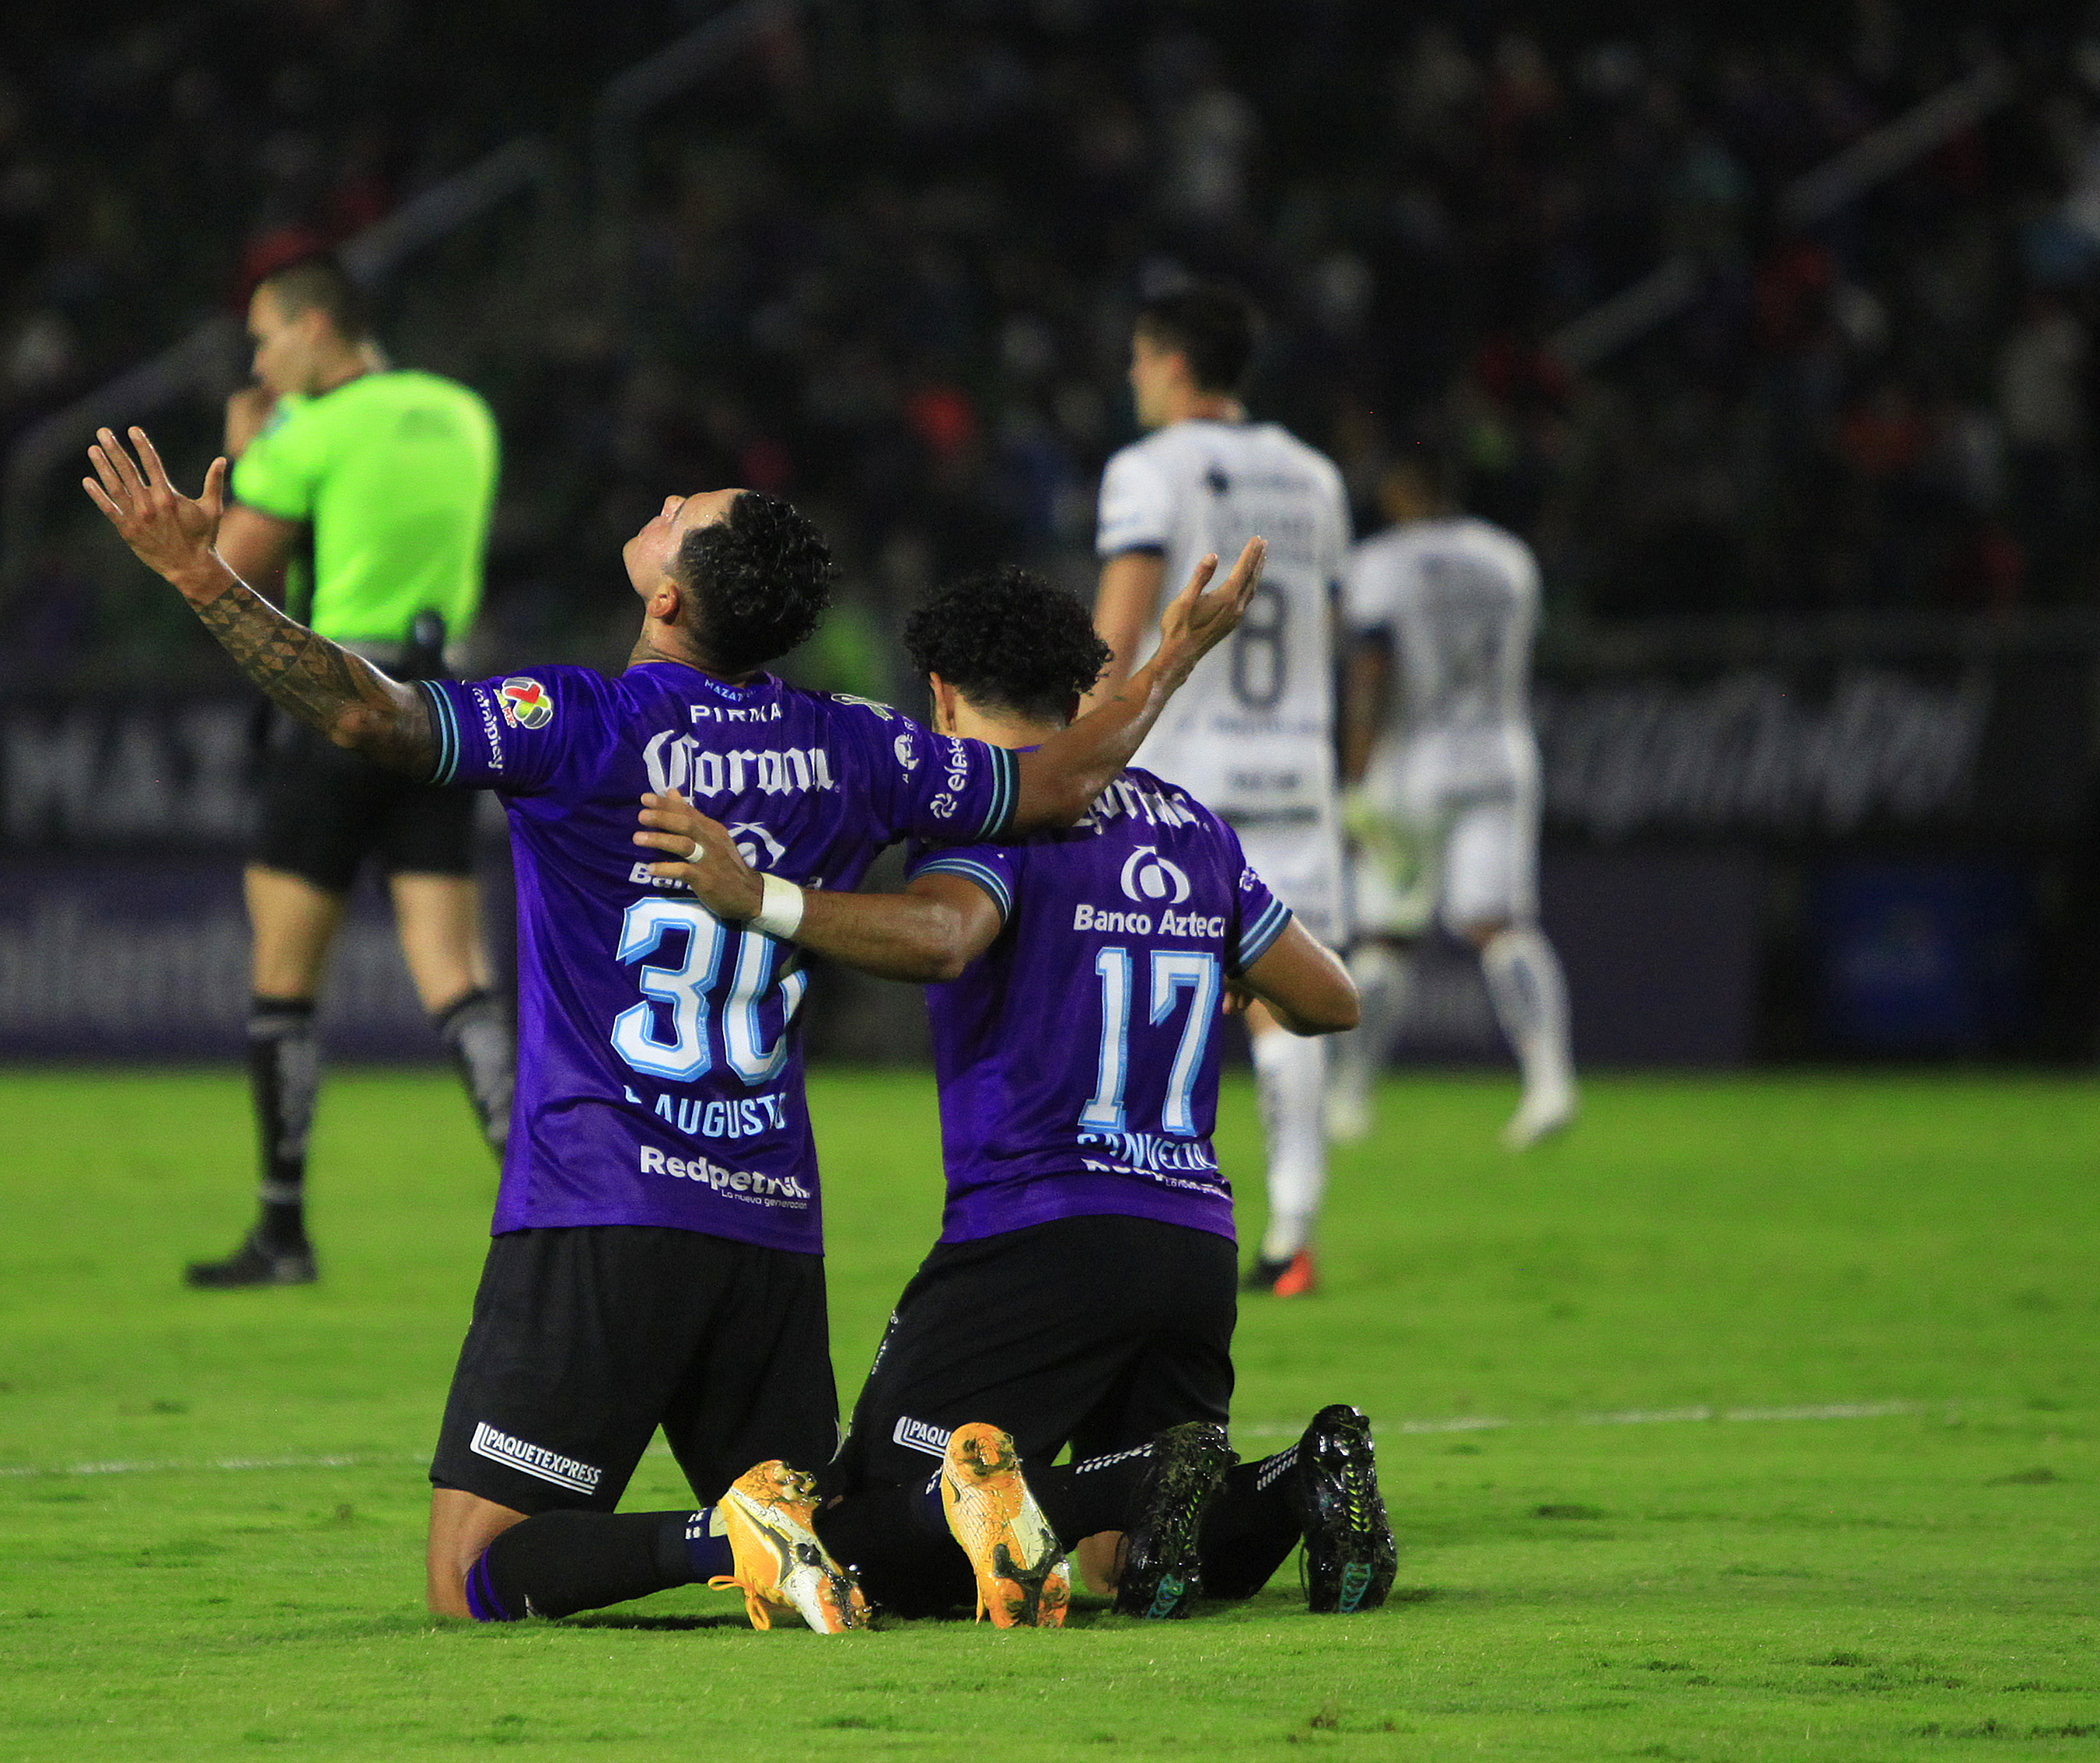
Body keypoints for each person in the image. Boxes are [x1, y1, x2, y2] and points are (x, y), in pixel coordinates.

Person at [81, 425, 1260, 1630]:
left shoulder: (576, 721)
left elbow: (369, 718)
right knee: (837, 1531)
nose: (663, 493)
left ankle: (717, 1534)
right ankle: (1075, 1491)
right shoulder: (860, 744)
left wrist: (200, 577)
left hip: (604, 1200)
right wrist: (1166, 662)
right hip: (769, 1226)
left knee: (470, 1571)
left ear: (666, 593)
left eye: (682, 504)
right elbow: (1059, 782)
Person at [640, 565, 1396, 1626]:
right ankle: (1300, 1477)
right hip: (1191, 1239)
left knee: (874, 1519)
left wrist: (758, 895)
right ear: (1082, 686)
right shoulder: (1186, 825)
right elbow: (1333, 999)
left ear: (940, 693)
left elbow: (947, 938)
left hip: (1040, 1232)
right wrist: (1219, 960)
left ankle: (1150, 1483)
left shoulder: (986, 811)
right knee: (1120, 1560)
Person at [183, 253, 512, 1290]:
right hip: (444, 710)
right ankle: (555, 1202)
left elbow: (232, 580)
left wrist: (249, 455)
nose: (259, 358)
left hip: (333, 705)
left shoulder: (306, 431)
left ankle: (282, 1231)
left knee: (285, 980)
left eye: (266, 336)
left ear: (316, 328)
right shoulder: (466, 415)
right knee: (457, 976)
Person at [1090, 281, 1353, 1298]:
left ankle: (1145, 1214)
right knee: (1283, 1007)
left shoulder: (1149, 470)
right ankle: (1291, 1235)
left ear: (1169, 362)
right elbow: (1326, 631)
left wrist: (1071, 749)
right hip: (1295, 772)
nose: (1130, 377)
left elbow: (1116, 634)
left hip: (1183, 778)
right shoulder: (1318, 479)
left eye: (1137, 358)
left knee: (1149, 992)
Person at [1326, 459, 1576, 1149]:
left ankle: (1350, 1096)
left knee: (1385, 936)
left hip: (1411, 766)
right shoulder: (1508, 558)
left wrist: (1354, 773)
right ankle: (1550, 1079)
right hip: (1501, 755)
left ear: (1406, 490)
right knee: (1500, 924)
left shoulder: (1380, 562)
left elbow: (1372, 669)